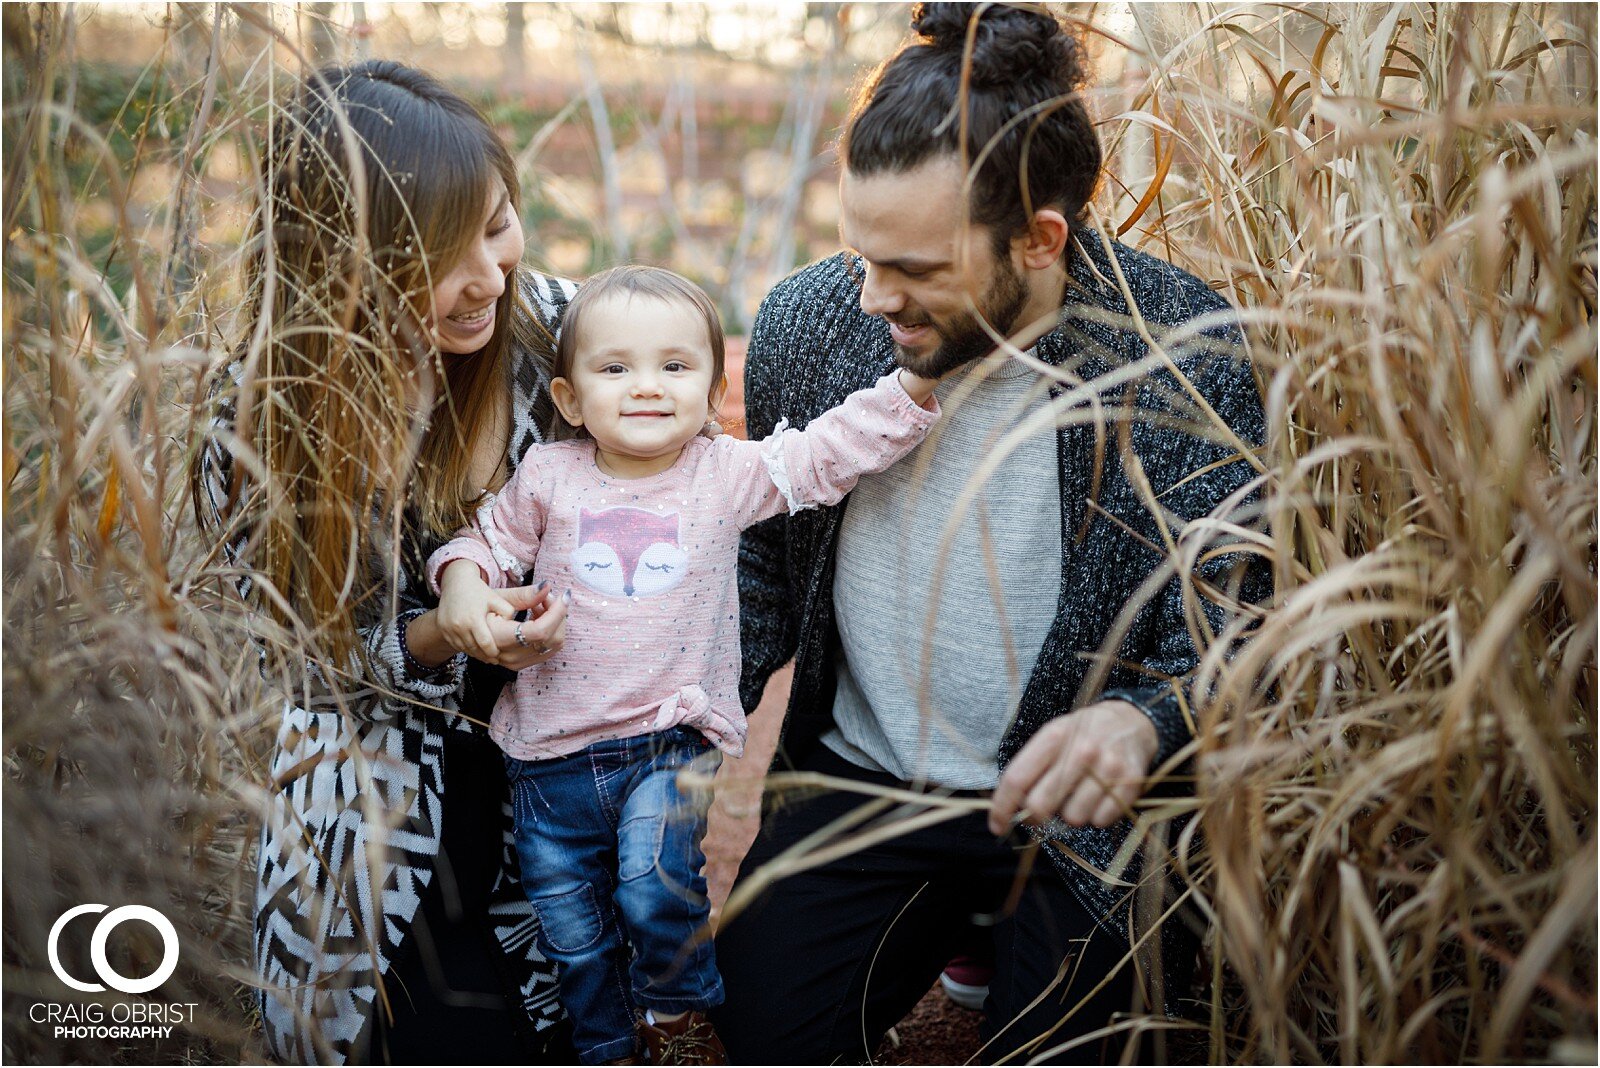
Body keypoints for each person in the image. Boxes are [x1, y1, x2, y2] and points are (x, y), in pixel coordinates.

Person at [712, 3, 1269, 1063]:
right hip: (863, 779)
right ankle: (947, 921)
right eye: (859, 254)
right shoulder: (810, 320)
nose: (873, 298)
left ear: (1039, 239)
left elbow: (1237, 617)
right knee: (763, 1033)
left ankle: (1001, 932)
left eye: (916, 270)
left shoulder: (1186, 359)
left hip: (1077, 821)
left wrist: (1148, 722)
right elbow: (759, 562)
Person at [424, 265, 942, 1064]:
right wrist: (462, 584)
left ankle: (675, 1019)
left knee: (652, 882)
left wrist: (909, 394)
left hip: (667, 736)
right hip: (546, 758)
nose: (646, 387)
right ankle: (604, 1044)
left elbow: (819, 457)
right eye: (615, 368)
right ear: (568, 400)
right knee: (572, 933)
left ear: (711, 393)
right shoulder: (548, 477)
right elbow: (484, 544)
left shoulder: (721, 474)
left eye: (675, 366)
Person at [194, 61, 580, 1064]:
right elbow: (313, 658)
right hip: (377, 797)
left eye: (499, 227)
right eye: (446, 257)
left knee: (580, 1018)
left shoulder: (563, 332)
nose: (490, 277)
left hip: (567, 763)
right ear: (345, 265)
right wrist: (445, 631)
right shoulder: (260, 415)